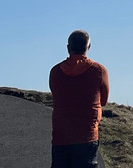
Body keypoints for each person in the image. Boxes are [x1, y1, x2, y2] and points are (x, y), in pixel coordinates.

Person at [50, 29, 110, 168]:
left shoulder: (55, 71)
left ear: (68, 48)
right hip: (87, 134)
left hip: (61, 134)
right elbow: (104, 101)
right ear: (88, 47)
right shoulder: (99, 70)